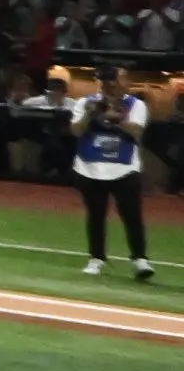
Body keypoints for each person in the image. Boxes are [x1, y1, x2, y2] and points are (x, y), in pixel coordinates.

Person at [70, 64, 153, 279]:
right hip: (90, 167)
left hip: (124, 168)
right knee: (96, 215)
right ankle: (96, 258)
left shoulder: (136, 105)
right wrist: (91, 113)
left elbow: (136, 131)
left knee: (132, 215)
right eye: (117, 77)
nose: (120, 82)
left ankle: (140, 259)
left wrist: (116, 117)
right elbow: (76, 131)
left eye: (122, 77)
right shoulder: (85, 102)